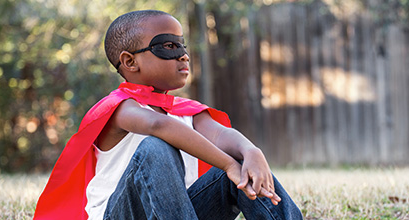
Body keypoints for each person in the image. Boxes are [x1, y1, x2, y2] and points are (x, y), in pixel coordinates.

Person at [34, 10, 302, 220]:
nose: (183, 56)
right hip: (120, 215)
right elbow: (158, 126)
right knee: (157, 147)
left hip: (177, 213)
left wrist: (251, 152)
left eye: (182, 46)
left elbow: (220, 134)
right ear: (130, 62)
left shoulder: (184, 110)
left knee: (240, 162)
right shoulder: (120, 108)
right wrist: (229, 165)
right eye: (168, 47)